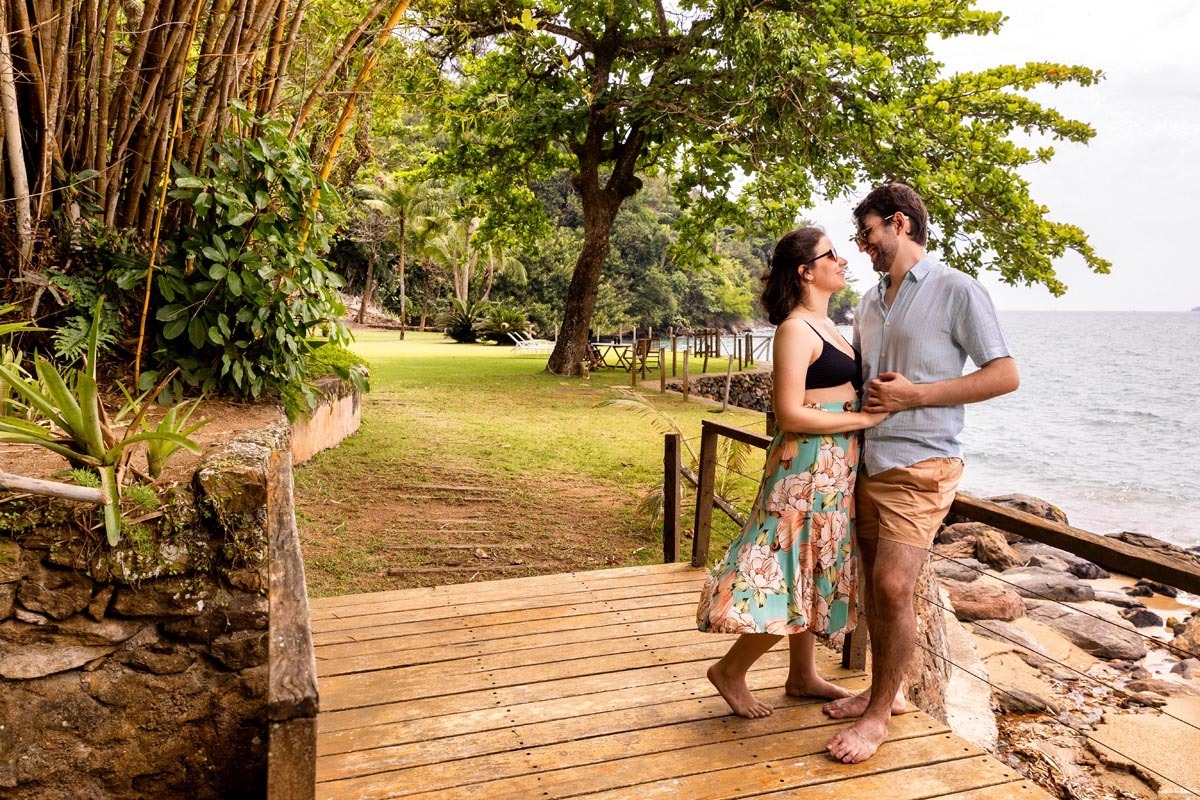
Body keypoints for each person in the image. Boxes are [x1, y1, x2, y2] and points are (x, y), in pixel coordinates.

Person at [823, 183, 1020, 763]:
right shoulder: (867, 301)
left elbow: (1005, 374)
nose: (863, 247)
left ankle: (880, 714)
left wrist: (915, 397)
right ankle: (888, 692)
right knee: (874, 591)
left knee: (892, 585)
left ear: (900, 223)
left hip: (924, 464)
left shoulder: (958, 289)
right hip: (866, 460)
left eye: (868, 234)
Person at [696, 226, 888, 718]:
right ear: (806, 271)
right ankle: (730, 670)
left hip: (832, 470)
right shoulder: (795, 329)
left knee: (810, 564)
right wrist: (862, 418)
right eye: (832, 255)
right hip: (803, 469)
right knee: (785, 564)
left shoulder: (829, 326)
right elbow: (789, 413)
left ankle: (802, 675)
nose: (844, 260)